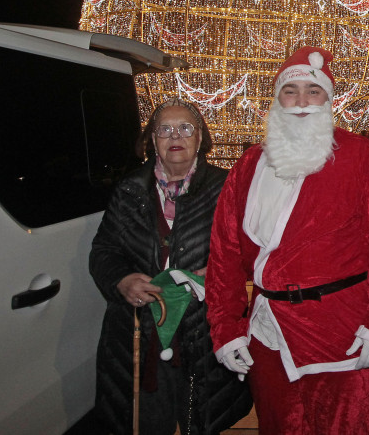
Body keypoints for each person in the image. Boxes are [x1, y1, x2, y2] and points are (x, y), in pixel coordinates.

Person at [206, 46, 369, 435]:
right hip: (269, 333)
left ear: (329, 99)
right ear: (277, 100)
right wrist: (226, 327)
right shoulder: (250, 164)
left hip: (342, 332)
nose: (301, 101)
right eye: (290, 90)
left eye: (313, 91)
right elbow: (224, 255)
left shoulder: (361, 156)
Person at [89, 99, 252, 435]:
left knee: (203, 421)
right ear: (152, 140)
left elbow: (250, 250)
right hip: (142, 332)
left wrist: (222, 273)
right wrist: (121, 281)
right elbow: (103, 250)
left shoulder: (226, 188)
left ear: (200, 137)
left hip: (204, 331)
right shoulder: (131, 189)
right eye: (164, 129)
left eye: (185, 128)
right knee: (148, 422)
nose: (174, 136)